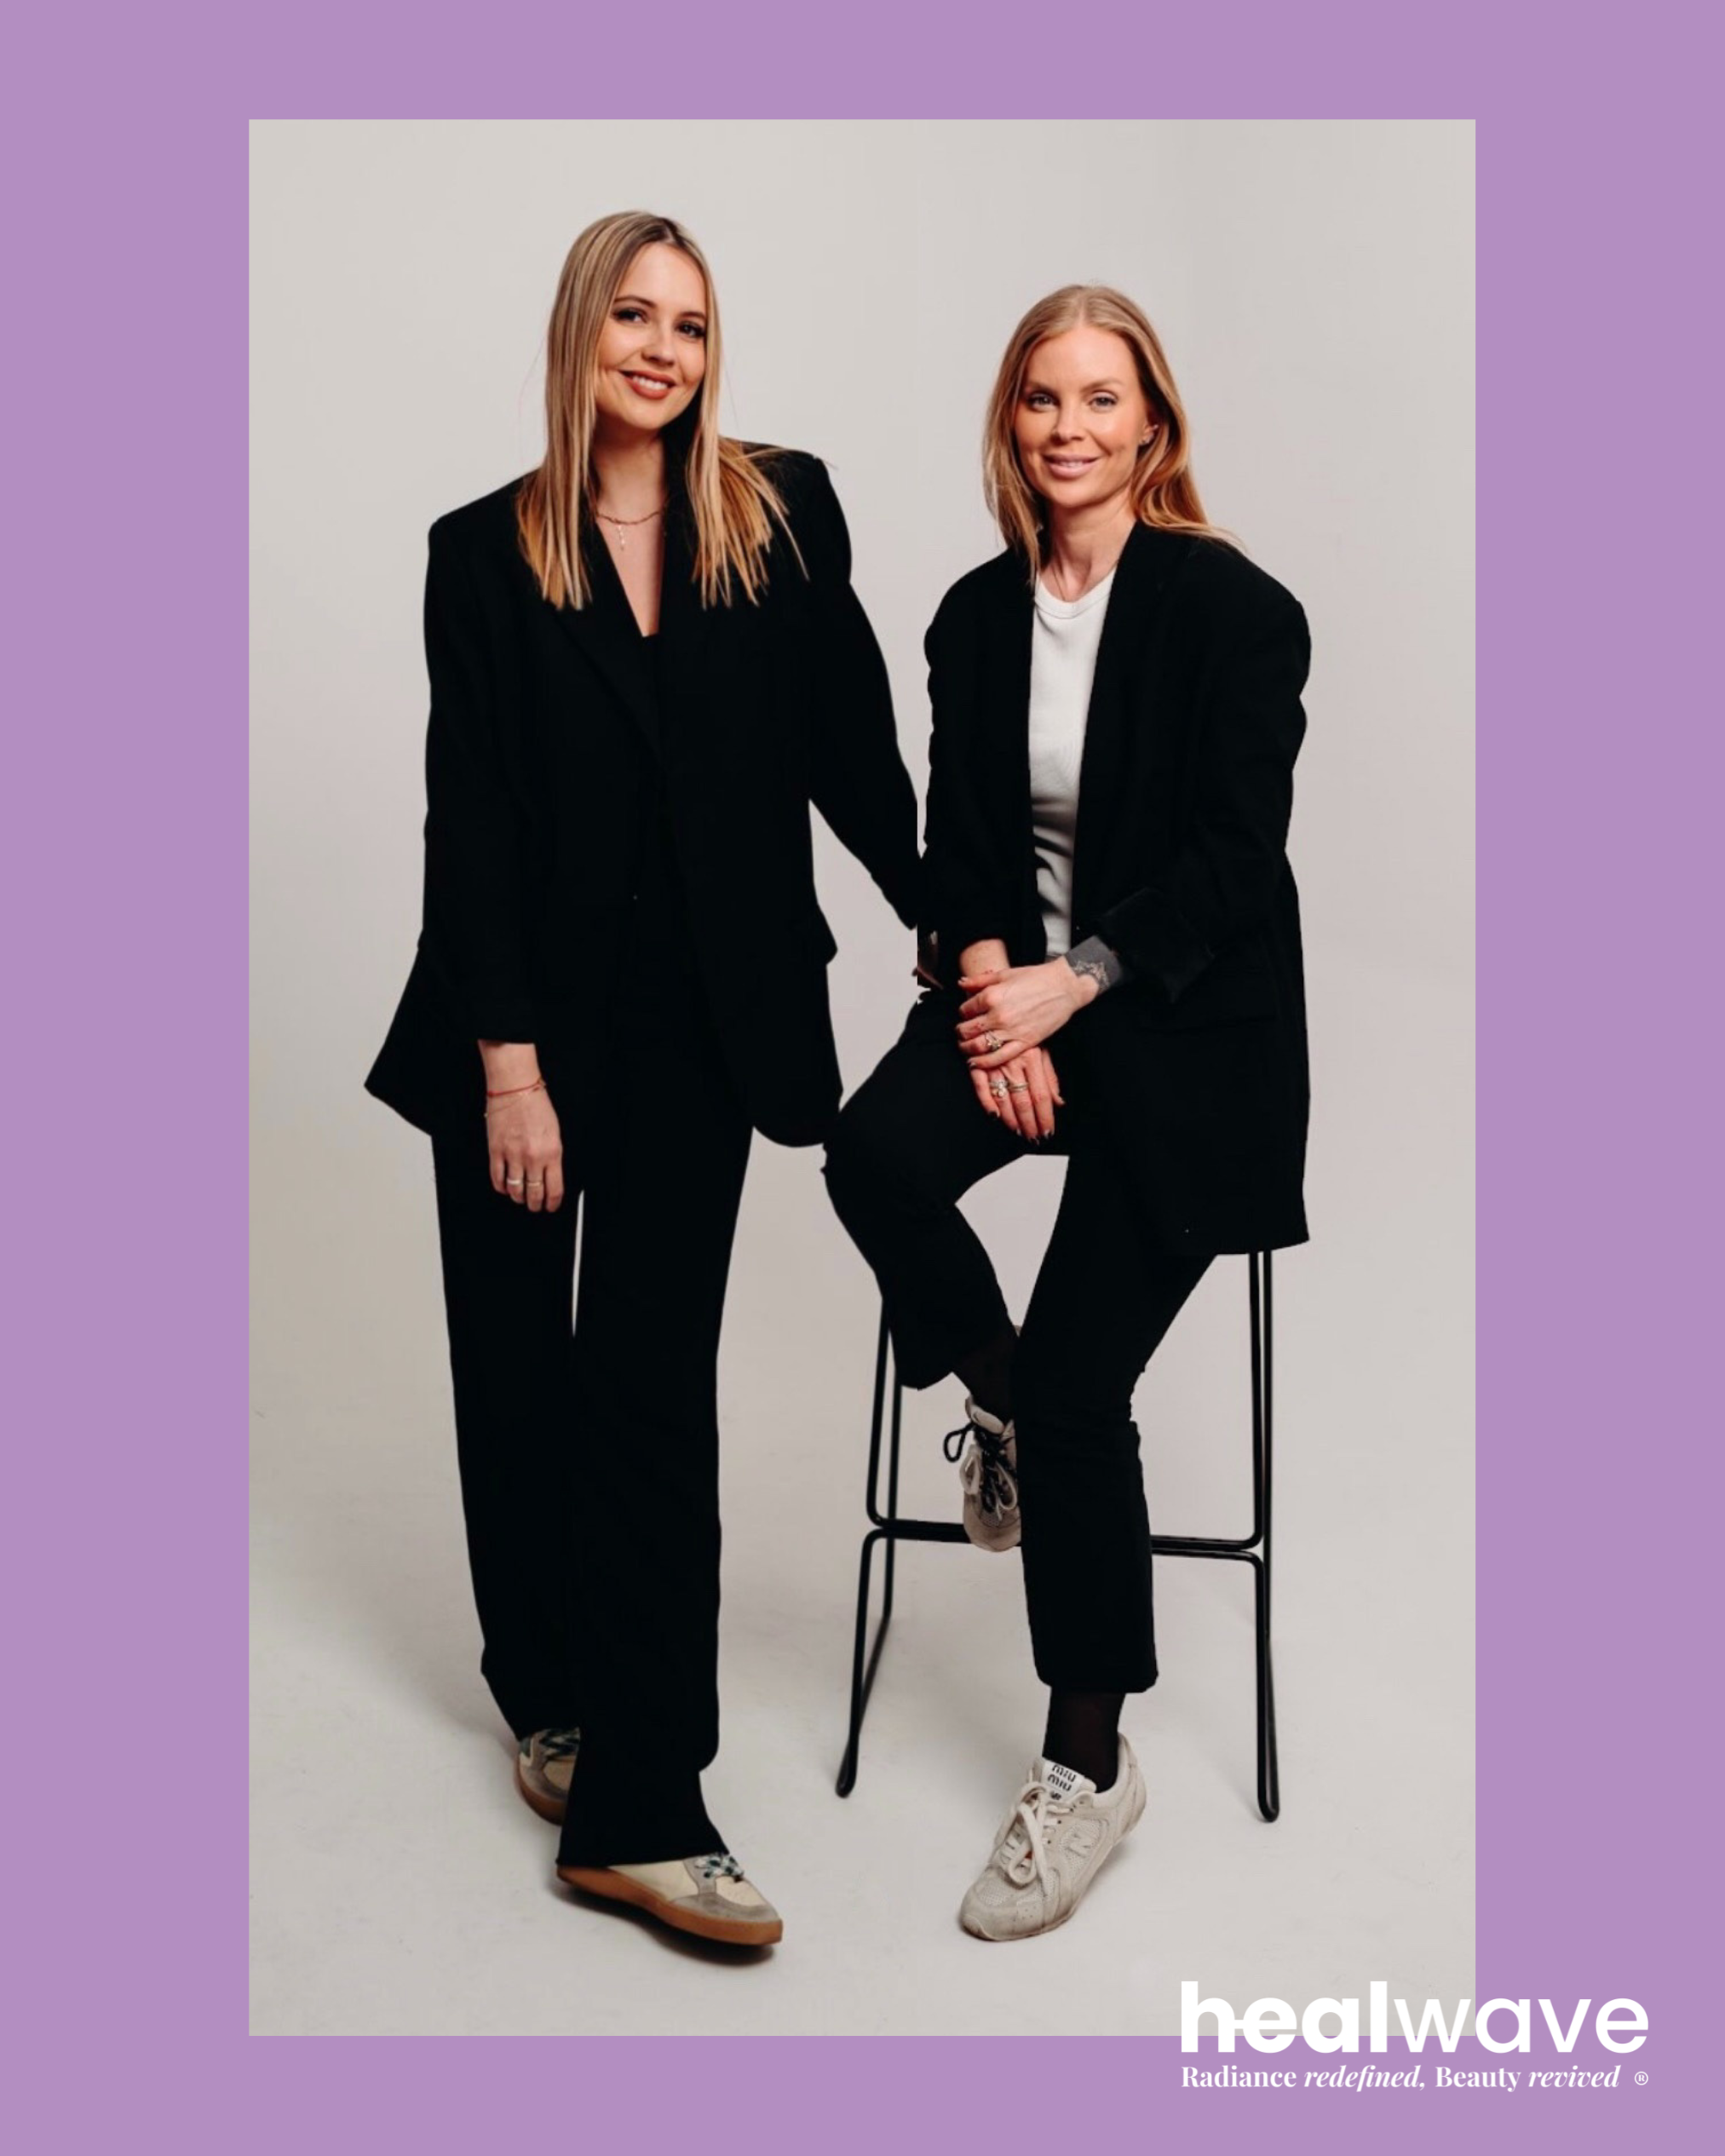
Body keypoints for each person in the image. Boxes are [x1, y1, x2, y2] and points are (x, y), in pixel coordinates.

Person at [365, 210, 918, 1949]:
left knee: (650, 1393)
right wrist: (508, 1069)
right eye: (633, 313)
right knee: (516, 1375)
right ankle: (551, 1695)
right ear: (579, 332)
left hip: (700, 1030)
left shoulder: (780, 509)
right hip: (513, 1032)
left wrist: (945, 913)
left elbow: (851, 748)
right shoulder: (482, 551)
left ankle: (645, 1803)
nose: (663, 348)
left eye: (688, 321)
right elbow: (471, 825)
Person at [824, 284, 1312, 1940]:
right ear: (1010, 420)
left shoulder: (1237, 610)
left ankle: (1088, 1761)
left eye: (1102, 398)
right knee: (874, 1154)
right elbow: (959, 838)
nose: (1069, 427)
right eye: (1043, 397)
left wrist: (1071, 983)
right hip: (1014, 1003)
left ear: (1152, 423)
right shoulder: (975, 615)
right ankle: (1006, 1406)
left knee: (1092, 1376)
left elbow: (1233, 867)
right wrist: (988, 984)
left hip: (1180, 1036)